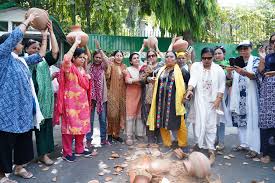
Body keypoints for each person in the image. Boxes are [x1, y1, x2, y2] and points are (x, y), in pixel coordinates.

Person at [0, 13, 47, 183]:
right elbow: (14, 37)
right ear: (11, 45)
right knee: (4, 145)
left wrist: (45, 36)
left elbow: (40, 55)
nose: (21, 43)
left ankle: (19, 167)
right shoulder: (2, 58)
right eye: (19, 42)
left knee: (23, 143)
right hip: (7, 113)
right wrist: (27, 21)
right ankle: (1, 176)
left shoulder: (20, 60)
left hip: (23, 112)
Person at [25, 21, 59, 166]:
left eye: (39, 47)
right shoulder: (25, 61)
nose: (38, 49)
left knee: (44, 129)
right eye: (34, 48)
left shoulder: (44, 61)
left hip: (44, 101)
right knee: (25, 132)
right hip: (30, 101)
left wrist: (51, 33)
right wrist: (43, 37)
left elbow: (56, 52)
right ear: (26, 50)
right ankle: (22, 160)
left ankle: (43, 155)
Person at [186, 47, 225, 164]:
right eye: (204, 58)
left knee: (211, 124)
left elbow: (222, 86)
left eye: (209, 58)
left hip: (212, 102)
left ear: (213, 57)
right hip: (199, 101)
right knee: (197, 123)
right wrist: (189, 90)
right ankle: (198, 144)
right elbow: (193, 79)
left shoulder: (218, 70)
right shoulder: (196, 66)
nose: (206, 60)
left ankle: (211, 149)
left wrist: (218, 99)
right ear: (201, 58)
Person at [56, 35, 92, 162]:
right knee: (68, 127)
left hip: (82, 103)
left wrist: (87, 77)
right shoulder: (68, 67)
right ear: (74, 58)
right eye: (80, 57)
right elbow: (66, 58)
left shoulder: (83, 69)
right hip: (70, 103)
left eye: (84, 58)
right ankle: (67, 152)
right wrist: (76, 43)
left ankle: (79, 149)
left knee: (82, 125)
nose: (83, 60)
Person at [147, 51, 189, 150]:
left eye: (171, 57)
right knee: (162, 123)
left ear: (175, 59)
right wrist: (149, 79)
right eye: (167, 57)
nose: (169, 58)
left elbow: (190, 82)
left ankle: (182, 145)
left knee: (180, 124)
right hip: (161, 102)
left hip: (175, 103)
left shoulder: (181, 71)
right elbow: (147, 77)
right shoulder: (160, 70)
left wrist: (187, 94)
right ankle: (167, 144)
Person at [228, 40, 260, 158]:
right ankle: (244, 143)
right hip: (239, 95)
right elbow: (231, 80)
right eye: (241, 49)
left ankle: (254, 147)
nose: (243, 51)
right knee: (240, 120)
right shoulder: (237, 61)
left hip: (251, 96)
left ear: (251, 49)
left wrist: (243, 72)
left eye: (245, 48)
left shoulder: (256, 60)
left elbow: (255, 76)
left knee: (252, 119)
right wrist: (229, 73)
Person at [86, 40, 110, 147]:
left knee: (103, 119)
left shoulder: (103, 67)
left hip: (102, 97)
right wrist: (85, 45)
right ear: (93, 58)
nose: (98, 59)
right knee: (89, 120)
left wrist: (99, 48)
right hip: (91, 97)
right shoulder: (88, 66)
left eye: (100, 58)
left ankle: (103, 139)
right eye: (96, 57)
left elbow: (107, 61)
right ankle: (88, 140)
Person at [257, 33, 275, 163]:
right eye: (273, 42)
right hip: (268, 92)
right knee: (266, 120)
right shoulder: (268, 56)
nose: (274, 44)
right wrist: (262, 60)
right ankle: (267, 153)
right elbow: (261, 72)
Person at [104, 50, 127, 143]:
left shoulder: (124, 67)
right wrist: (109, 65)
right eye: (117, 55)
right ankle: (109, 133)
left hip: (122, 93)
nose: (118, 57)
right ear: (114, 57)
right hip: (112, 93)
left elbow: (126, 78)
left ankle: (116, 134)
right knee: (112, 115)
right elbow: (107, 76)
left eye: (120, 56)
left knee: (119, 114)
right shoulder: (111, 65)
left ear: (122, 57)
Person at [213, 46, 232, 152]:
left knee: (221, 118)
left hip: (223, 95)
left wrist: (229, 73)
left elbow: (230, 83)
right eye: (215, 54)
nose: (217, 55)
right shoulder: (211, 65)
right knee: (214, 117)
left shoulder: (227, 66)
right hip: (212, 95)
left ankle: (221, 141)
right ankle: (215, 139)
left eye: (219, 53)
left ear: (224, 54)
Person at [125, 52, 146, 145]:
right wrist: (139, 80)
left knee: (139, 115)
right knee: (130, 115)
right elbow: (128, 80)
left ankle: (139, 134)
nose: (137, 59)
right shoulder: (128, 70)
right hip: (131, 94)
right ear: (130, 61)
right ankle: (129, 135)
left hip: (141, 93)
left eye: (138, 57)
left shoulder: (143, 68)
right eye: (134, 58)